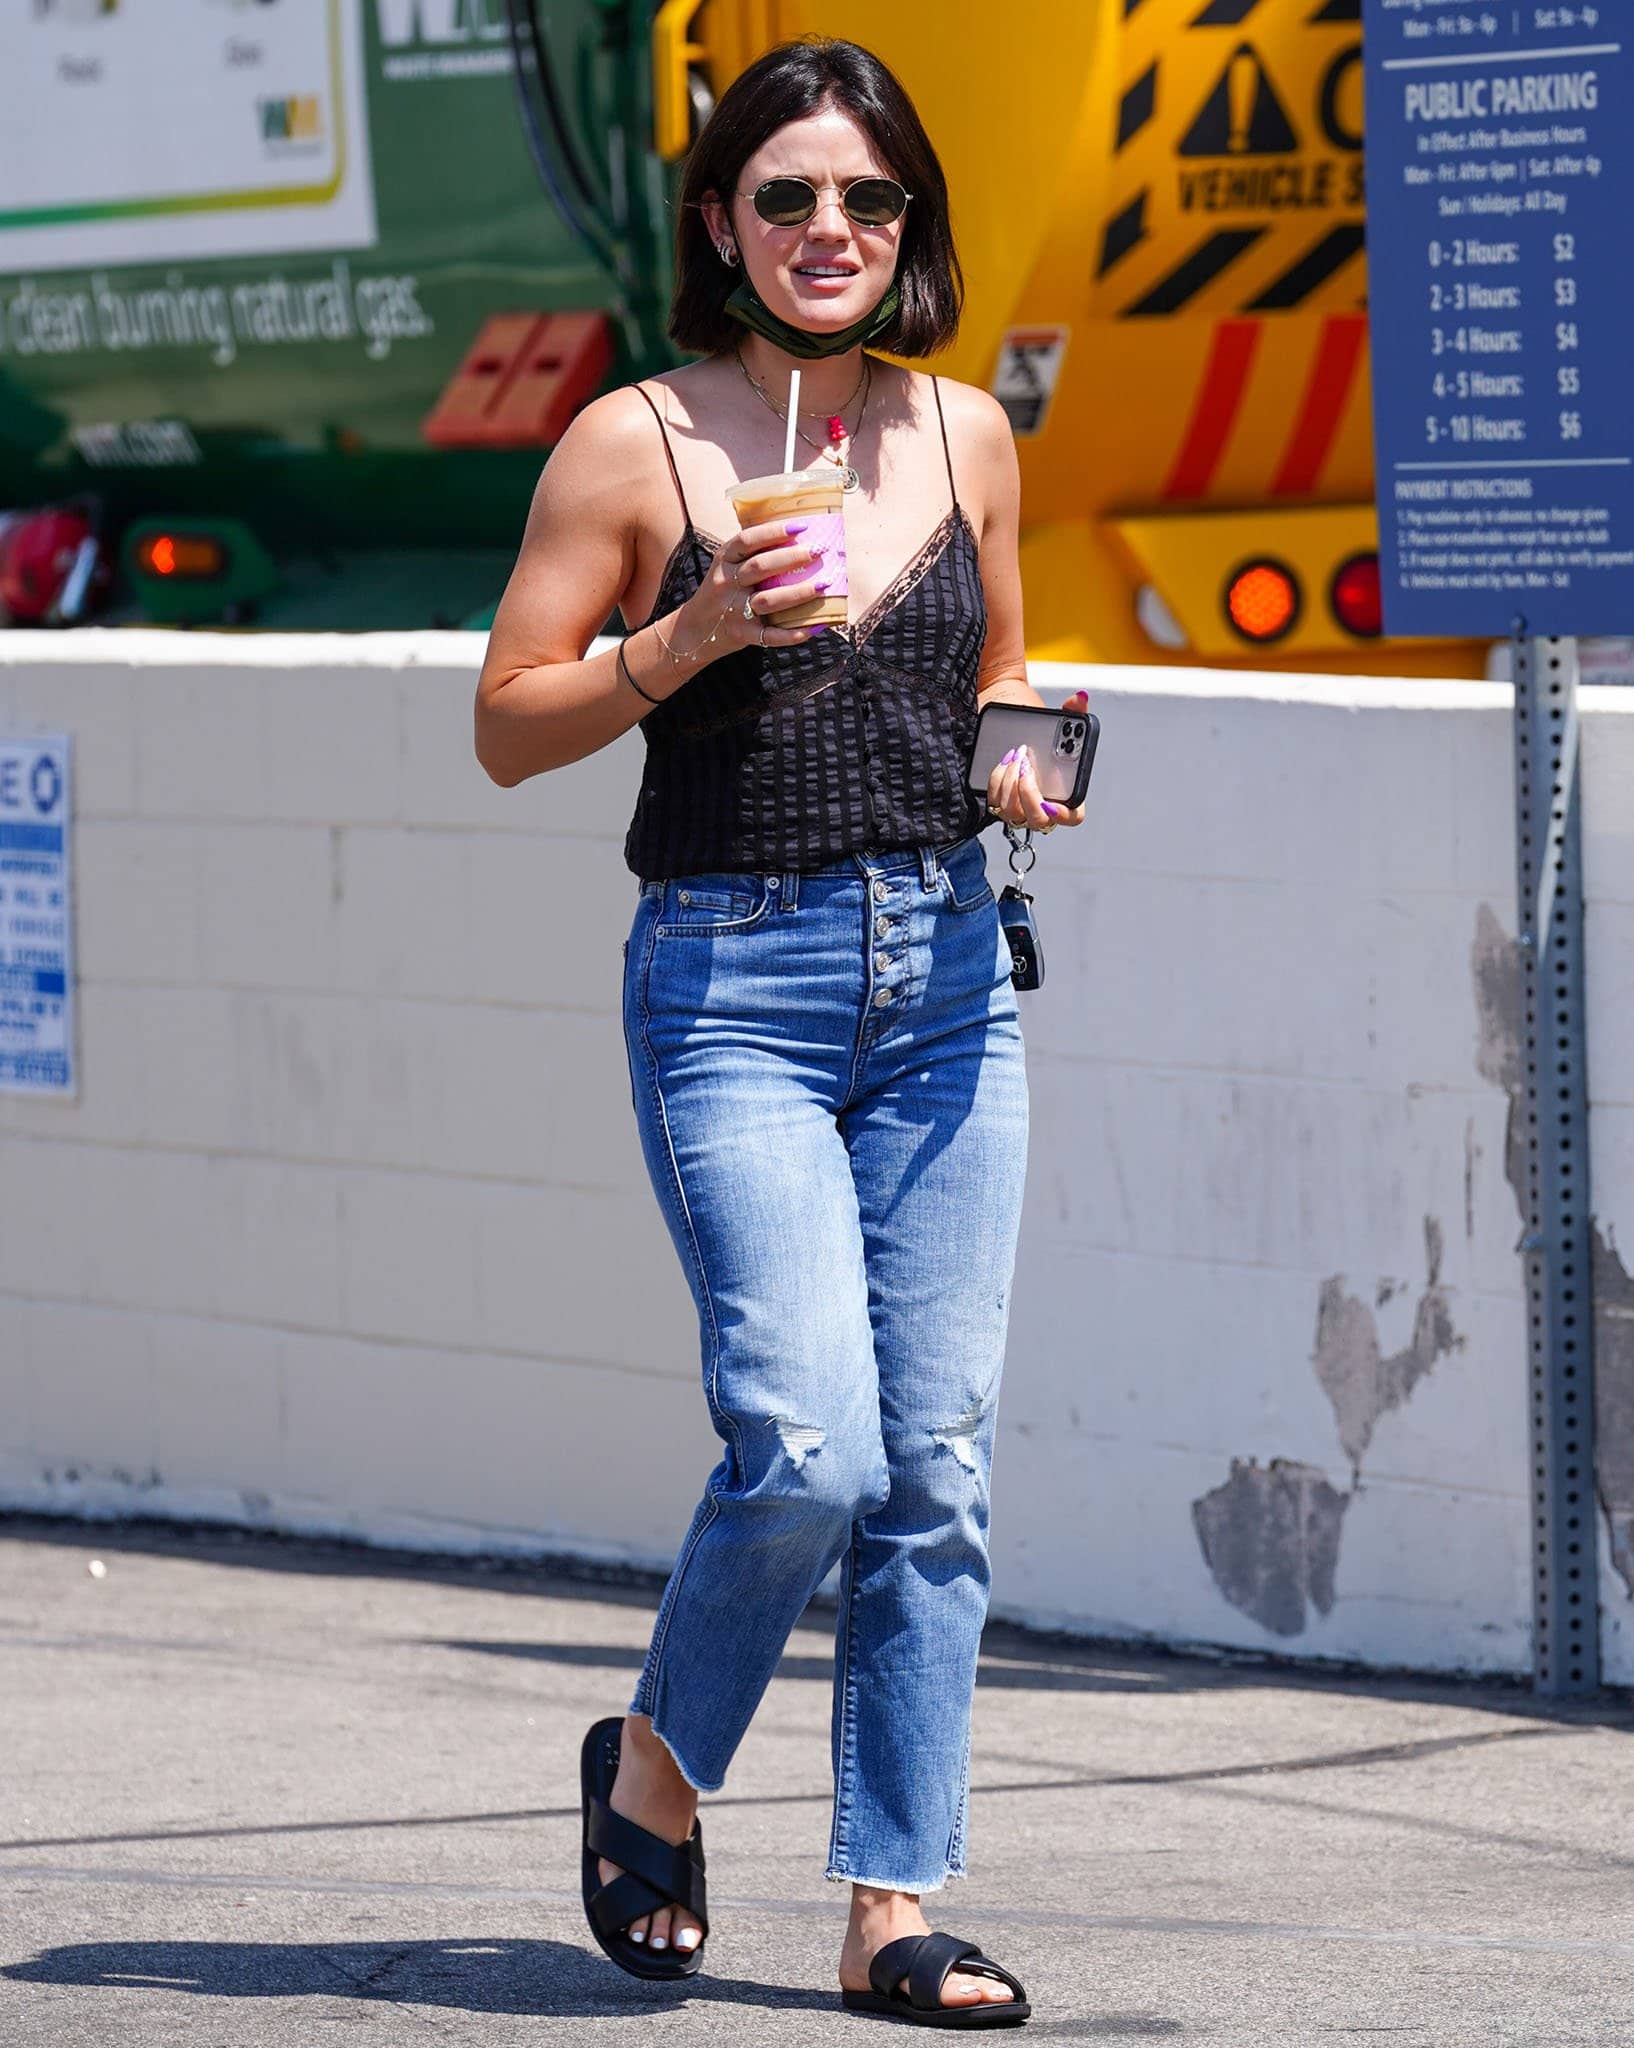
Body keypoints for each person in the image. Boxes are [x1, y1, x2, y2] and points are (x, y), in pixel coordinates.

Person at [475, 36, 1088, 2027]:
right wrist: (692, 634)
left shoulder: (967, 431)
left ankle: (891, 1901)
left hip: (945, 981)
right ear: (722, 220)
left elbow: (997, 674)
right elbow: (507, 723)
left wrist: (1024, 764)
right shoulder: (635, 442)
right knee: (807, 1438)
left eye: (871, 199)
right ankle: (654, 1762)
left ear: (911, 226)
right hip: (732, 984)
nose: (831, 229)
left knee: (938, 1467)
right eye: (789, 196)